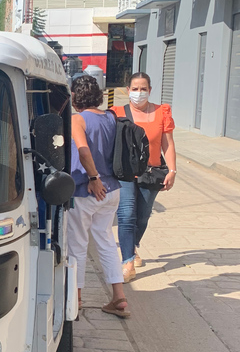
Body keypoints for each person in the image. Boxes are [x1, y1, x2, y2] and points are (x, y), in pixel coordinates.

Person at [67, 76, 130, 318]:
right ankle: (119, 297)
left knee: (78, 245)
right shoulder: (111, 118)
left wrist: (93, 178)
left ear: (75, 97)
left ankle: (77, 298)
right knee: (106, 242)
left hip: (87, 189)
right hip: (112, 190)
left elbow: (83, 151)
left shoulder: (77, 119)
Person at [112, 72, 176, 282]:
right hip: (126, 173)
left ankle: (132, 246)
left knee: (143, 215)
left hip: (151, 172)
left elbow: (167, 144)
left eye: (143, 89)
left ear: (150, 90)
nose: (139, 93)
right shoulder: (117, 112)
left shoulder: (161, 112)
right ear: (128, 90)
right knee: (126, 215)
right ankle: (128, 262)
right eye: (135, 89)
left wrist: (173, 171)